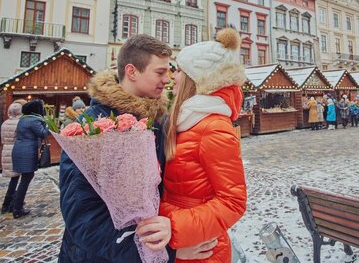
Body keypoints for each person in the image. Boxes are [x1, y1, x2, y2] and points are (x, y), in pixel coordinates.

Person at [59, 34, 209, 263]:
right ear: (132, 72)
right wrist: (164, 254)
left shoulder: (157, 122)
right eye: (160, 72)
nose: (168, 79)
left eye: (169, 71)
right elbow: (82, 219)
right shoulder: (90, 128)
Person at [160, 27, 247, 263]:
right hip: (179, 245)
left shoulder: (213, 127)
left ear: (195, 77)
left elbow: (233, 202)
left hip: (202, 250)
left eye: (178, 70)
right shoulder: (185, 120)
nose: (172, 77)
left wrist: (172, 225)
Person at [11, 99, 49, 218]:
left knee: (24, 178)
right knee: (26, 178)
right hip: (27, 151)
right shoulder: (34, 120)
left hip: (19, 149)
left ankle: (15, 203)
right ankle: (17, 207)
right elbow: (43, 133)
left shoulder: (23, 119)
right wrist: (50, 125)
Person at [0, 100, 26, 214]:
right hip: (17, 150)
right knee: (17, 178)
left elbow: (2, 139)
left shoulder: (5, 123)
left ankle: (9, 202)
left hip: (6, 150)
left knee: (13, 178)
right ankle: (10, 203)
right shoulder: (20, 123)